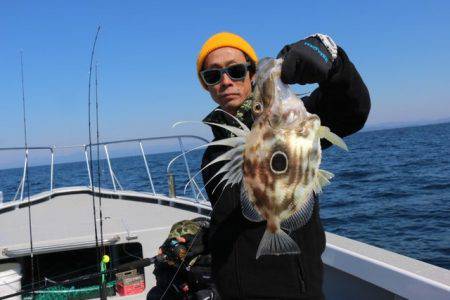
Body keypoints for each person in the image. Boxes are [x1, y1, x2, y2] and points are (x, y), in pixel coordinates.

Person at [197, 32, 370, 299]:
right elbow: (231, 216)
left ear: (252, 74)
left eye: (236, 70)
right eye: (213, 76)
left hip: (291, 291)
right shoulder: (214, 152)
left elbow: (351, 111)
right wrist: (205, 237)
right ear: (206, 86)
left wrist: (334, 64)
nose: (226, 81)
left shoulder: (290, 121)